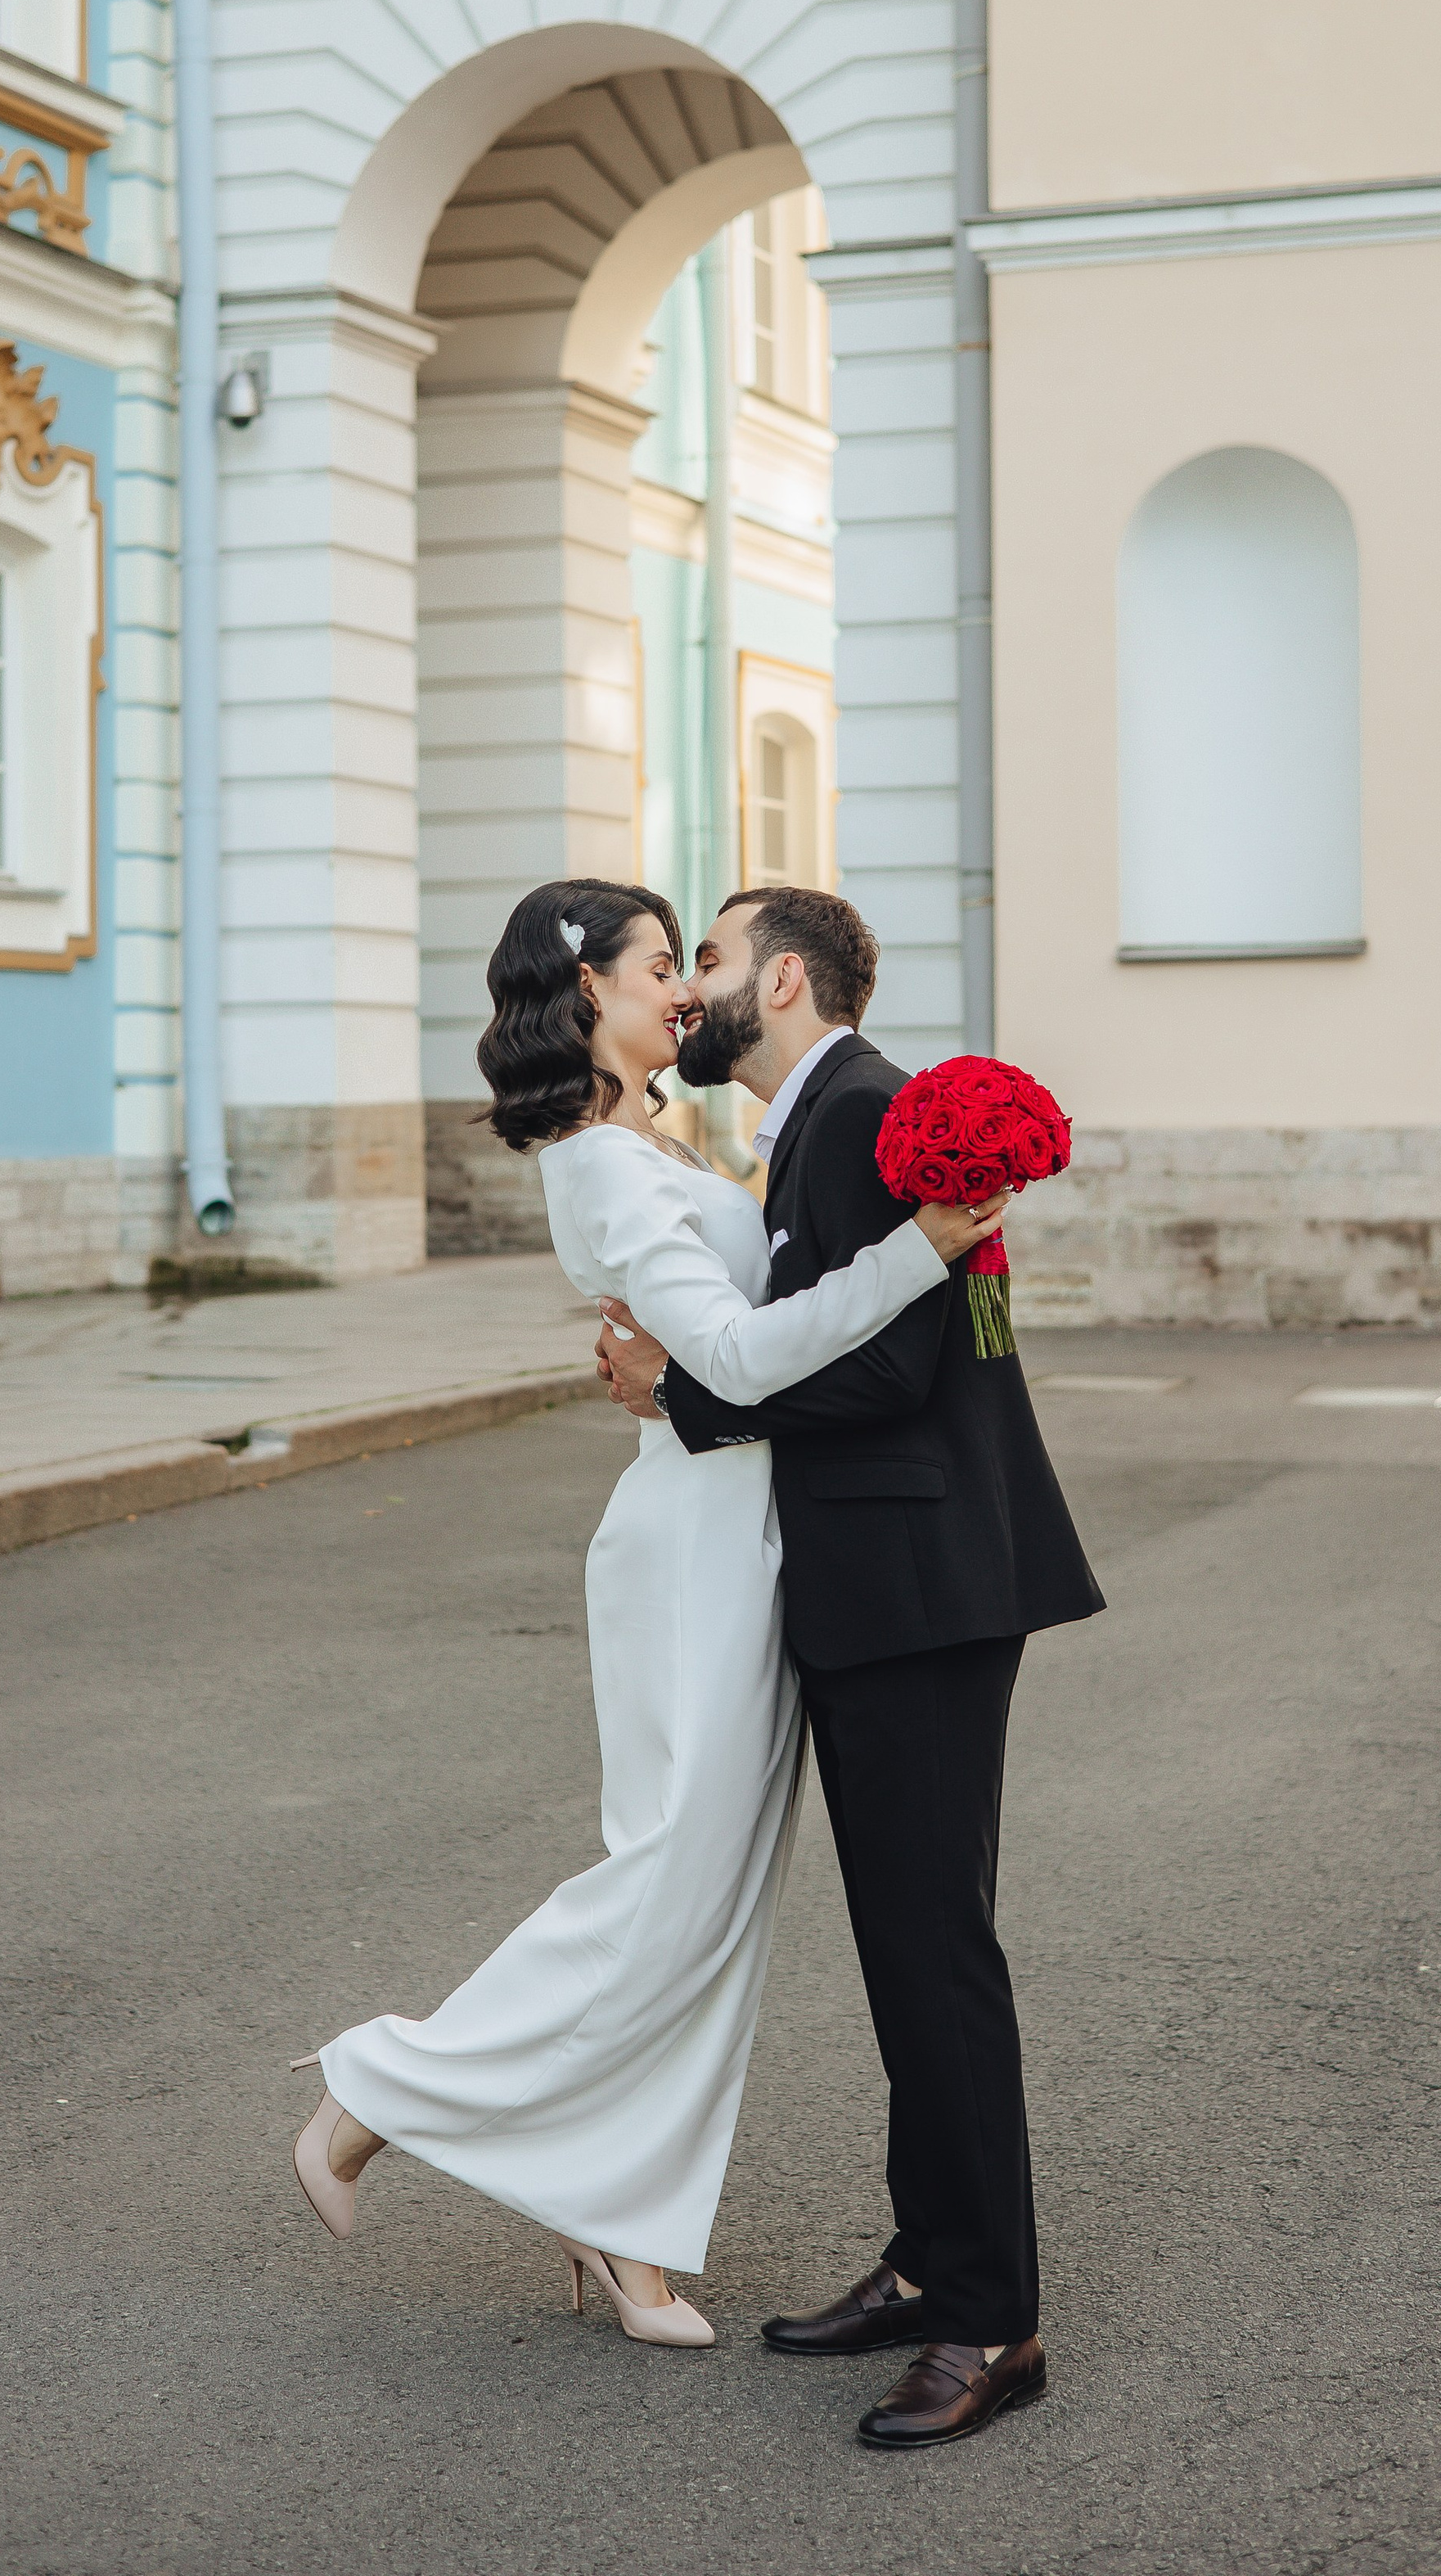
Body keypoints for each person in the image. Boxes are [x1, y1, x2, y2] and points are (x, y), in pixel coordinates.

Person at [289, 878, 1009, 2352]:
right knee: (666, 1880)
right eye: (664, 965)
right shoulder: (603, 1167)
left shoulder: (655, 1141)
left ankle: (620, 2224)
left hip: (755, 1527)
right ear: (589, 994)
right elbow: (741, 1357)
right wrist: (918, 1253)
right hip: (697, 1545)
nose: (686, 990)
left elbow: (732, 1353)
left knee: (716, 1905)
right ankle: (381, 2093)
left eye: (702, 961)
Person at [597, 886, 1104, 2448]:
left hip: (920, 1588)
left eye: (718, 962)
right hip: (913, 1579)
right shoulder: (835, 1120)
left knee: (936, 1951)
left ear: (789, 981)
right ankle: (927, 2257)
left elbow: (889, 1360)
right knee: (905, 1946)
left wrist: (682, 1393)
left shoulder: (859, 1117)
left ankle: (987, 2322)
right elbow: (926, 1334)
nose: (693, 991)